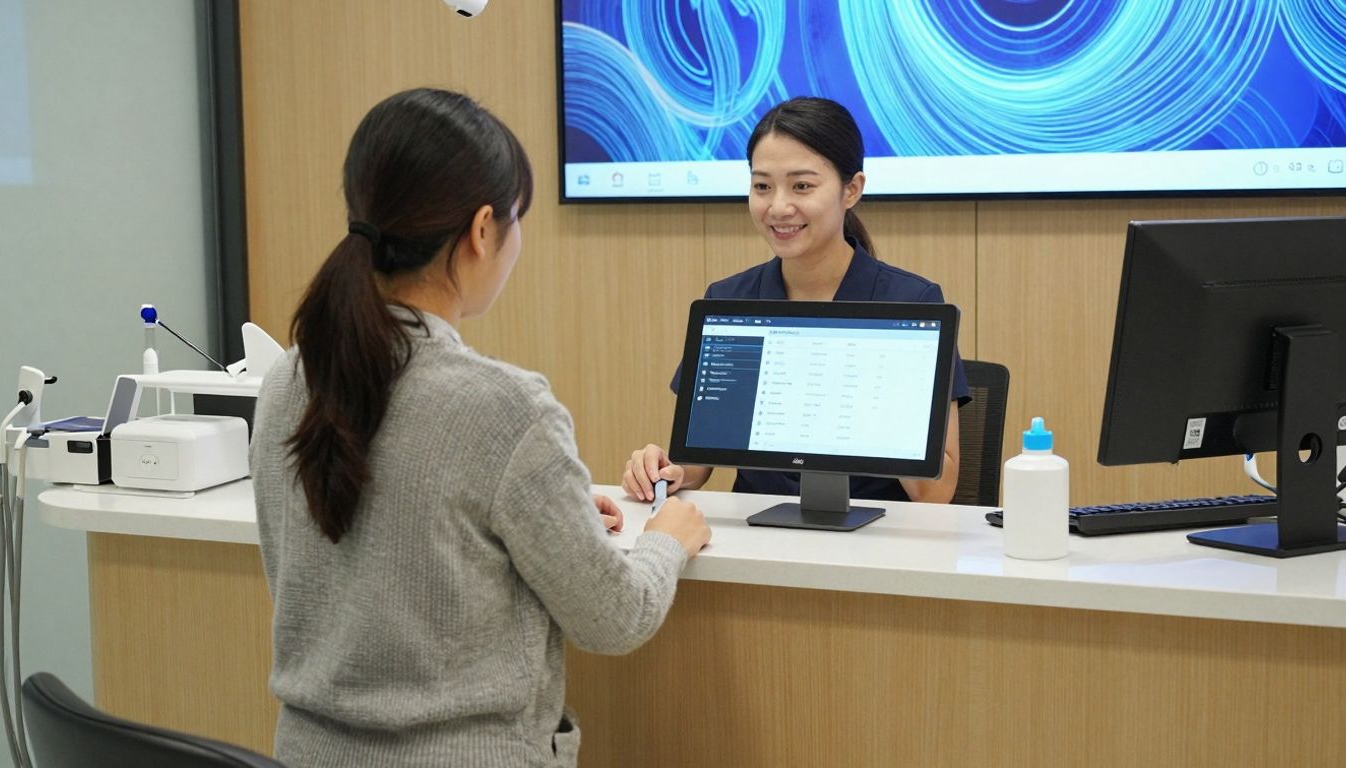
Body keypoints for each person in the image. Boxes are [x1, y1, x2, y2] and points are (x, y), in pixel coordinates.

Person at [250, 88, 711, 768]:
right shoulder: (506, 409)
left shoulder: (287, 379)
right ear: (483, 229)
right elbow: (614, 619)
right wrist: (667, 541)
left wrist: (541, 515)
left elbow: (360, 550)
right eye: (518, 220)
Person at [622, 96, 971, 506]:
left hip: (875, 535)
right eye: (762, 186)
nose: (778, 207)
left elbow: (936, 493)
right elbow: (696, 459)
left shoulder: (912, 304)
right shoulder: (728, 301)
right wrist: (665, 471)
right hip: (753, 535)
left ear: (851, 190)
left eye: (802, 186)